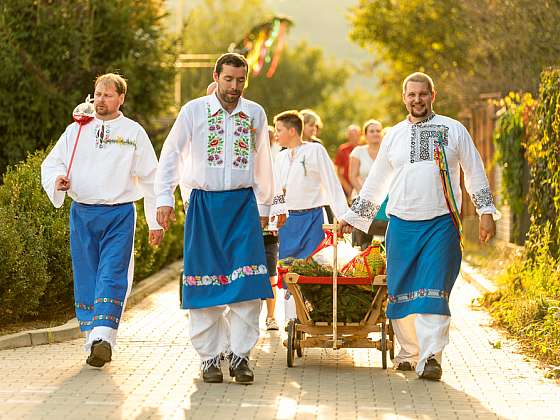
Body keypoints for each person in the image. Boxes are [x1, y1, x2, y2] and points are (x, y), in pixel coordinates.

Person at [340, 72, 498, 381]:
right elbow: (376, 183)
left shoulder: (454, 130)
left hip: (441, 223)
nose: (417, 99)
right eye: (411, 95)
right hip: (400, 223)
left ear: (432, 96)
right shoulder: (395, 135)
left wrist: (485, 211)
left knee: (434, 290)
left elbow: (475, 170)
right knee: (401, 290)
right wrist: (353, 217)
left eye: (422, 94)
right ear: (404, 98)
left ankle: (430, 357)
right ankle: (408, 352)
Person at [155, 53, 285, 384]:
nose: (234, 87)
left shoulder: (254, 113)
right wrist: (163, 199)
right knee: (204, 285)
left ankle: (240, 356)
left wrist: (266, 207)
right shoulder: (194, 111)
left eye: (240, 80)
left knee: (248, 285)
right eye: (228, 79)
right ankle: (210, 358)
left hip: (243, 207)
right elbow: (170, 154)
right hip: (203, 206)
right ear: (216, 76)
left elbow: (262, 162)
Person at [41, 73, 163, 368]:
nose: (100, 100)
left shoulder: (133, 132)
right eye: (97, 94)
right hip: (82, 213)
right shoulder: (76, 130)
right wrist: (58, 179)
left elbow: (151, 177)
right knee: (87, 273)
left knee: (112, 273)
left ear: (121, 98)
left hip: (118, 214)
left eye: (108, 95)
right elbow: (54, 162)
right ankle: (92, 340)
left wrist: (155, 220)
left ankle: (104, 338)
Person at [274, 110, 349, 261]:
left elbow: (331, 183)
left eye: (279, 130)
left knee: (314, 265)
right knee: (285, 267)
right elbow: (275, 190)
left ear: (292, 131)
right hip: (287, 222)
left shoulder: (315, 150)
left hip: (313, 219)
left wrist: (344, 217)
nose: (276, 134)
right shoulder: (280, 156)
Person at [348, 119, 389, 249]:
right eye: (372, 131)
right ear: (365, 135)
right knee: (364, 236)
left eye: (378, 131)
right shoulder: (358, 151)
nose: (376, 133)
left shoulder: (387, 151)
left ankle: (383, 259)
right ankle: (362, 256)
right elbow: (352, 176)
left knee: (386, 233)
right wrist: (365, 196)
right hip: (363, 197)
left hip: (384, 198)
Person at [334, 124, 361, 200]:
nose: (352, 137)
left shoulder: (364, 148)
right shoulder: (343, 149)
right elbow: (339, 173)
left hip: (362, 188)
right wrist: (348, 189)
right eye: (350, 135)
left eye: (355, 134)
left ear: (360, 135)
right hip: (346, 189)